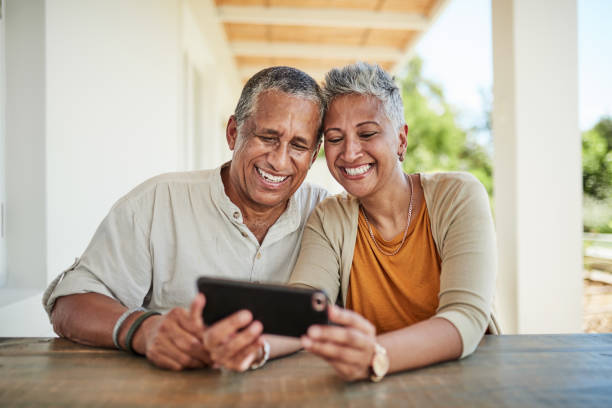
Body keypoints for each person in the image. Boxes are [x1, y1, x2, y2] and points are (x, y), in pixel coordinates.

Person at [43, 66, 328, 372]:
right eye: (267, 137)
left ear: (313, 156)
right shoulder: (157, 201)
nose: (279, 160)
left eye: (298, 145)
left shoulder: (327, 215)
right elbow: (70, 303)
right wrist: (142, 330)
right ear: (233, 133)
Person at [288, 62, 499, 382]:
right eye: (334, 138)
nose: (350, 152)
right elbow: (300, 313)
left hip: (465, 383)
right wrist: (248, 346)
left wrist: (375, 354)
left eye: (367, 133)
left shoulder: (457, 196)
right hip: (372, 388)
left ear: (401, 140)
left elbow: (466, 317)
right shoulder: (329, 218)